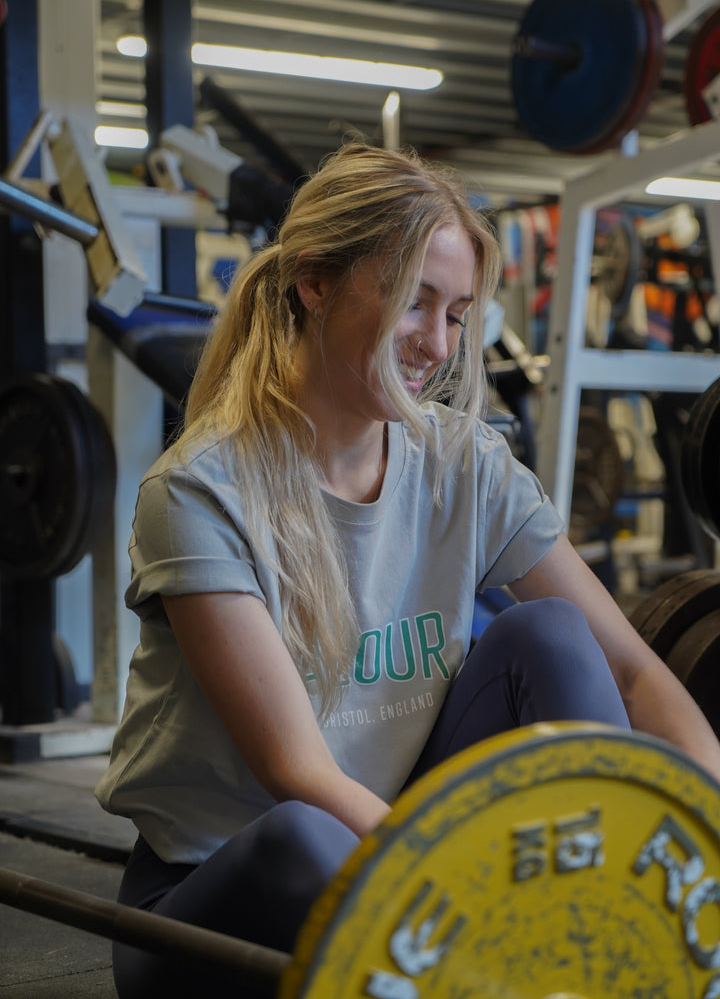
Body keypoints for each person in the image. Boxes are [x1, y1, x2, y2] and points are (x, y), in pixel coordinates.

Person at [96, 142, 720, 999]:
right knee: (305, 833)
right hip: (215, 905)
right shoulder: (201, 493)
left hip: (400, 859)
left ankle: (593, 922)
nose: (437, 342)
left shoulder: (466, 464)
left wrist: (705, 830)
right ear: (315, 282)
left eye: (458, 313)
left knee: (551, 634)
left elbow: (630, 668)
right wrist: (485, 912)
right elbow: (298, 773)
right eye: (412, 301)